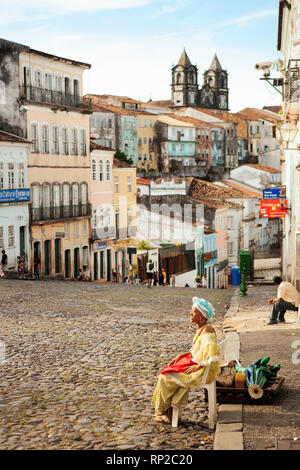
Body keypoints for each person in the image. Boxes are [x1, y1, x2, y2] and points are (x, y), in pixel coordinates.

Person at [152, 297, 220, 423]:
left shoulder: (207, 332)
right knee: (170, 370)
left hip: (203, 372)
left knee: (165, 377)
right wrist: (184, 354)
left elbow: (212, 355)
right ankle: (169, 409)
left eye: (193, 311)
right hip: (202, 368)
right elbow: (200, 350)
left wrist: (199, 366)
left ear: (201, 316)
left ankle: (165, 410)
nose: (190, 313)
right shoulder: (202, 329)